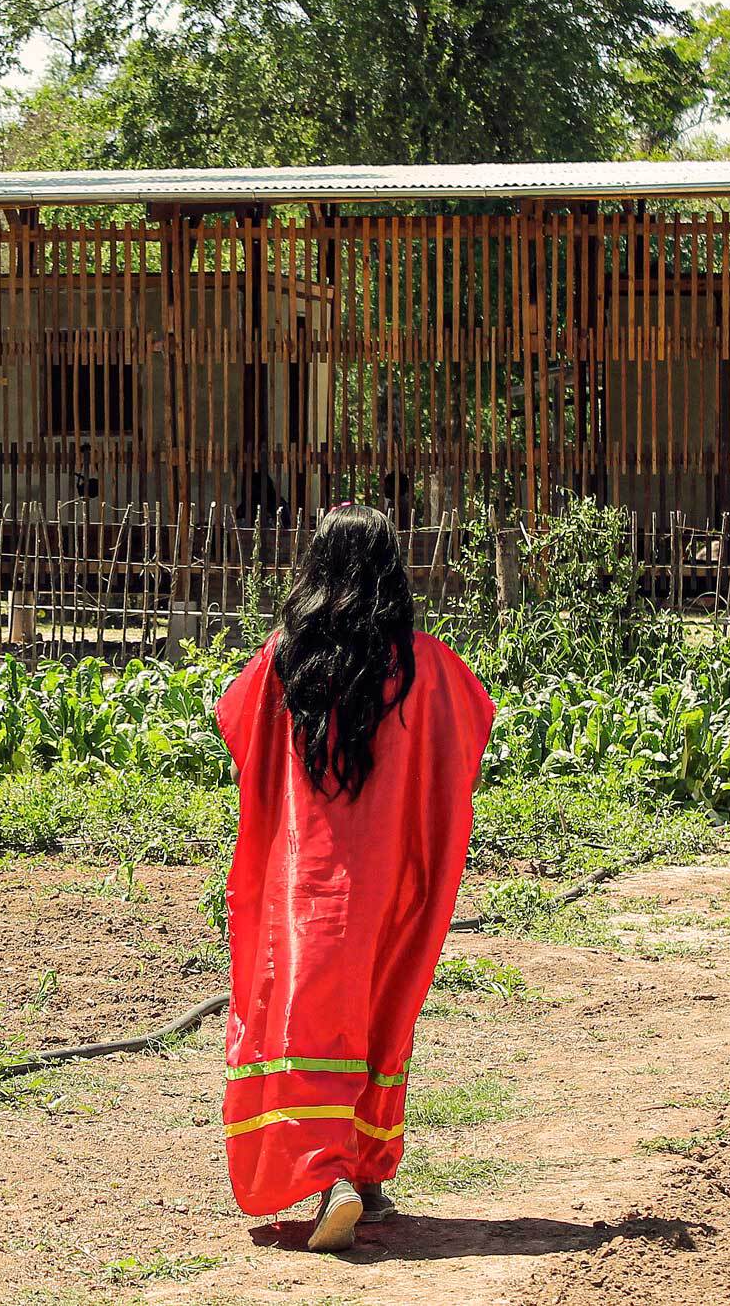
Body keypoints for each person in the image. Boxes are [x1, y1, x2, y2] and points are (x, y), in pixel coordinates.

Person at [214, 503, 495, 1252]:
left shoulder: (283, 660)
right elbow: (472, 729)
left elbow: (234, 724)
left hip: (304, 892)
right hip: (394, 887)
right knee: (380, 1017)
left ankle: (331, 1174)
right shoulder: (427, 667)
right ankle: (365, 1178)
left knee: (307, 1027)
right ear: (390, 571)